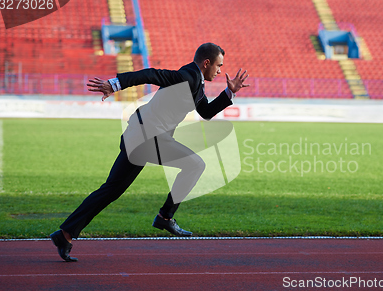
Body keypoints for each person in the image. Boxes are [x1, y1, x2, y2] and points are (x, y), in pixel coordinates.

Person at [50, 43, 249, 262]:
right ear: (206, 63)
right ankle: (165, 216)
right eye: (219, 66)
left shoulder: (197, 84)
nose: (220, 71)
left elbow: (207, 112)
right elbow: (151, 74)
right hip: (149, 137)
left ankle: (65, 234)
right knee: (195, 164)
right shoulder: (188, 76)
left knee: (111, 190)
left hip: (140, 136)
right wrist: (115, 84)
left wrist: (230, 92)